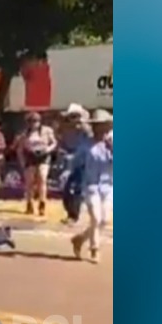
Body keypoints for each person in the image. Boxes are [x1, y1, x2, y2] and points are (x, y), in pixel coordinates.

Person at [70, 110, 114, 264]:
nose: (101, 129)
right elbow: (75, 163)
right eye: (98, 126)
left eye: (104, 126)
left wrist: (112, 149)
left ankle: (80, 239)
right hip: (91, 186)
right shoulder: (86, 145)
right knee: (95, 217)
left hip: (109, 187)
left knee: (104, 220)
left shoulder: (112, 142)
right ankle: (95, 249)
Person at [15, 112, 58, 216]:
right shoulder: (24, 134)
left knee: (42, 178)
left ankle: (42, 203)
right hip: (30, 157)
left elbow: (54, 142)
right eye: (30, 121)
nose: (33, 124)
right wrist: (22, 162)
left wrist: (48, 149)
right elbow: (20, 149)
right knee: (29, 181)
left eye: (35, 121)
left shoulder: (47, 131)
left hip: (43, 156)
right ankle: (29, 203)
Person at [58, 104, 92, 224]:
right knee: (67, 189)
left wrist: (82, 123)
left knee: (76, 189)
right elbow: (65, 144)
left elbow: (90, 137)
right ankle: (71, 214)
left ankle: (74, 216)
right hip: (73, 163)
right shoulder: (70, 130)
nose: (72, 119)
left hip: (85, 164)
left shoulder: (87, 129)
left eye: (74, 116)